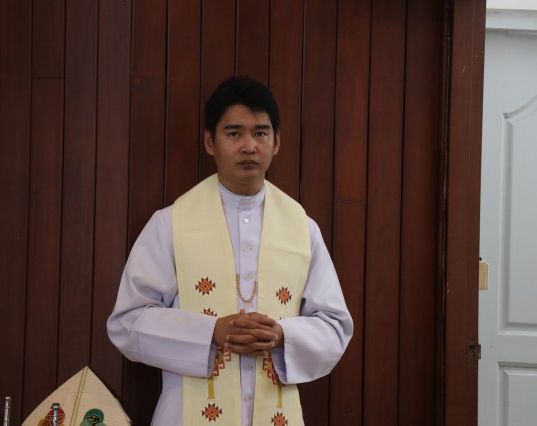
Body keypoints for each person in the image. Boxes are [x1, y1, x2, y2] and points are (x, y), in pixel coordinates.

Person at [107, 76, 353, 426]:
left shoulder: (302, 229)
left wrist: (282, 335)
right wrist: (210, 332)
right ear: (210, 142)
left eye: (261, 133)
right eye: (234, 133)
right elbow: (127, 323)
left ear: (277, 142)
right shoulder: (170, 224)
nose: (249, 146)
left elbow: (335, 327)